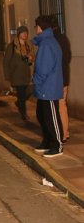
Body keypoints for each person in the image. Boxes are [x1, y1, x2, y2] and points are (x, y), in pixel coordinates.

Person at [32, 15, 64, 157]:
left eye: (36, 26)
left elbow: (43, 68)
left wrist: (36, 81)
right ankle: (48, 141)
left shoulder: (47, 44)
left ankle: (57, 145)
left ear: (40, 27)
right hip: (45, 87)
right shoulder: (46, 42)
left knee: (51, 117)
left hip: (48, 87)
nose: (34, 29)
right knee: (42, 115)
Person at [3, 25, 35, 120]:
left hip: (26, 74)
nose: (25, 34)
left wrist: (30, 59)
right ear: (18, 34)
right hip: (16, 75)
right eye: (23, 33)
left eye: (26, 33)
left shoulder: (29, 46)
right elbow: (6, 62)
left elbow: (31, 60)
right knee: (21, 94)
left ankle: (19, 103)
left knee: (29, 91)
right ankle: (23, 114)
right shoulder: (12, 46)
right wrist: (8, 76)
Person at [49, 15, 71, 143]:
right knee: (63, 105)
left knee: (58, 106)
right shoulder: (64, 38)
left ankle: (61, 133)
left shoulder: (52, 40)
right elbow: (68, 57)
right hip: (65, 77)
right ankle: (65, 133)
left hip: (56, 78)